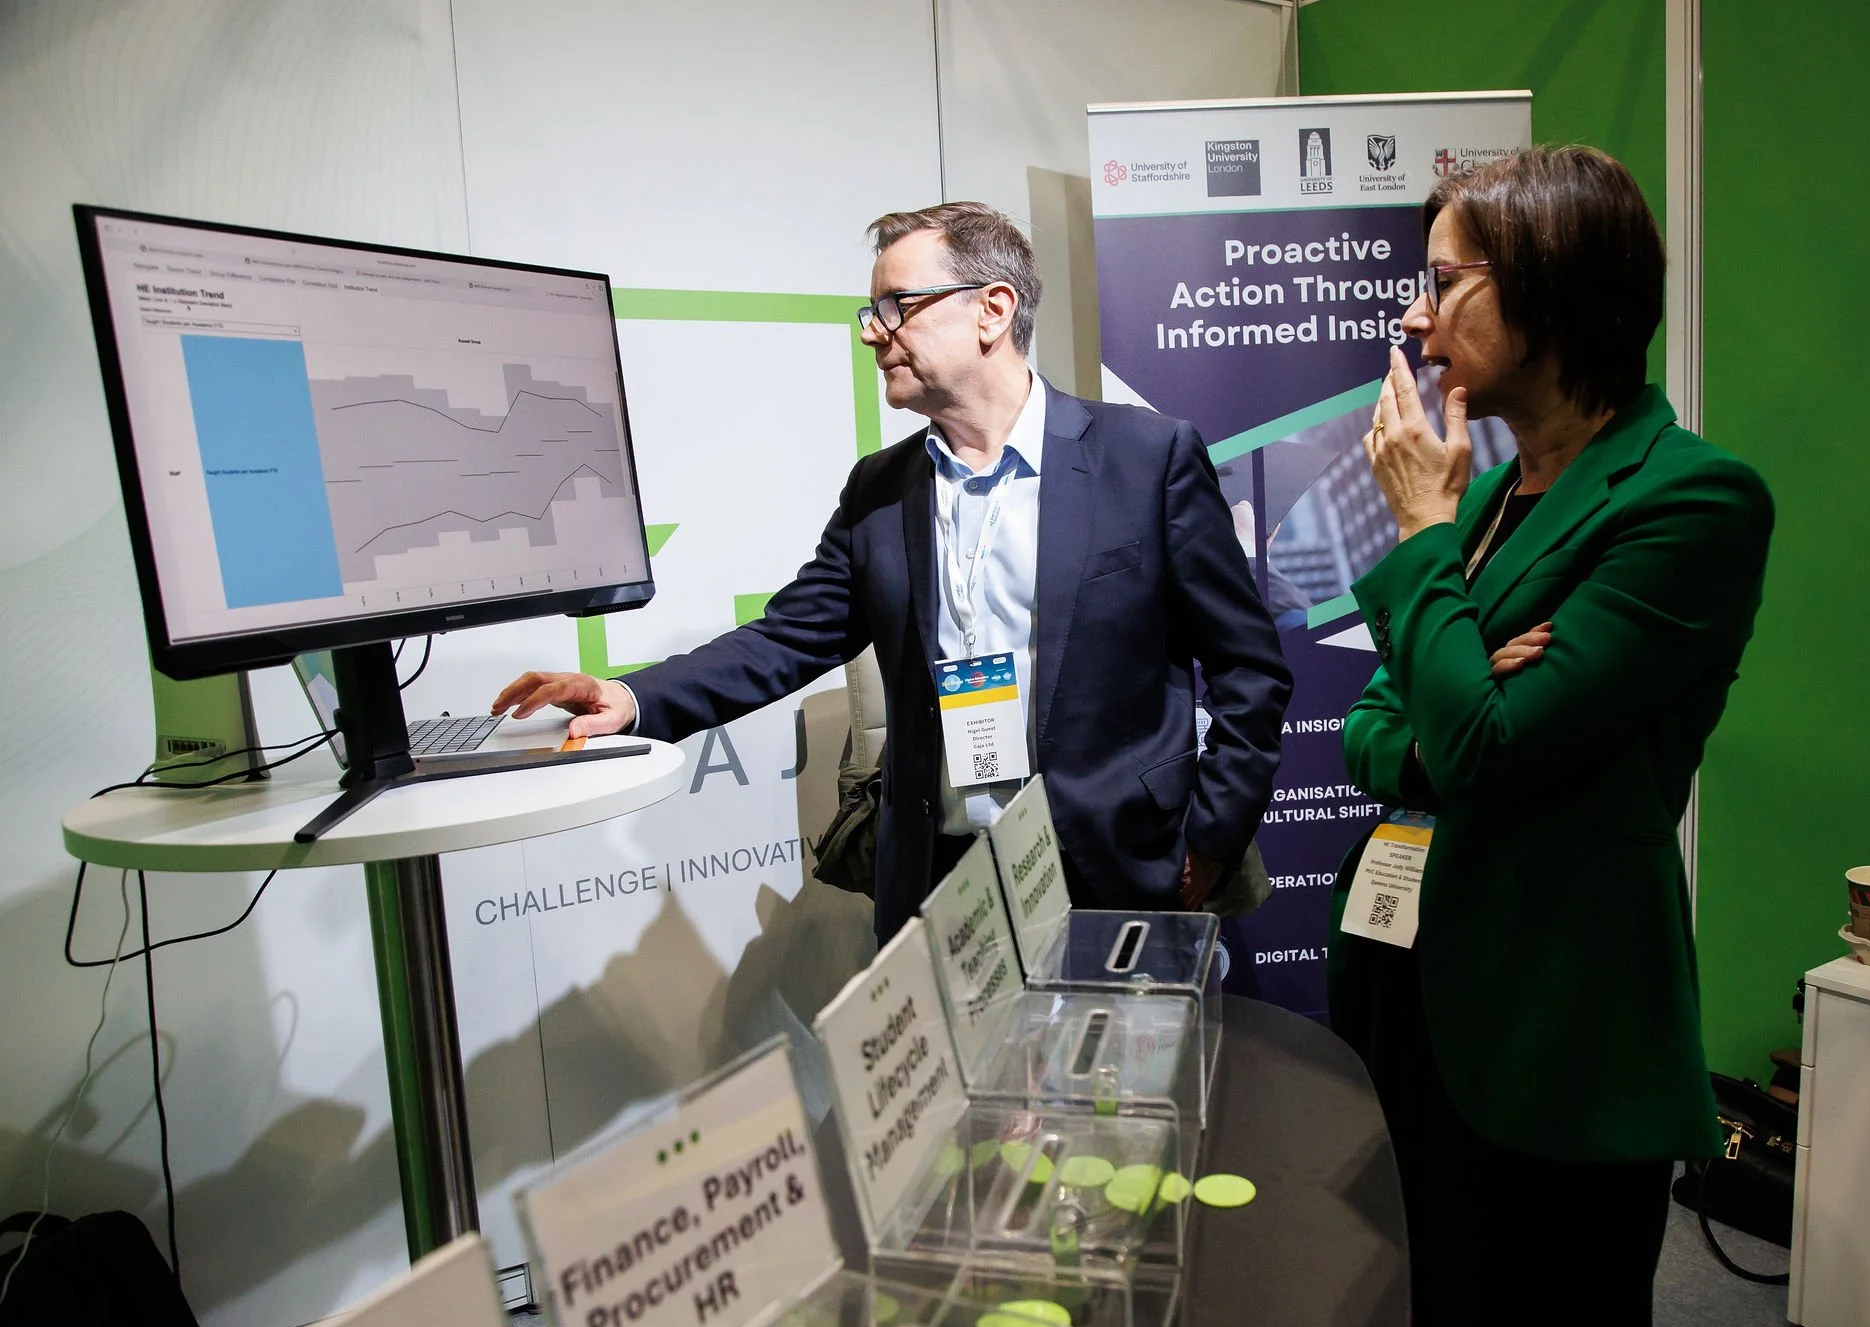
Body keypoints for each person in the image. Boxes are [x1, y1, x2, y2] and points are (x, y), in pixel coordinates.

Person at [495, 202, 1291, 942]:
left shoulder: (1146, 459)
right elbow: (785, 639)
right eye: (871, 312)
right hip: (941, 885)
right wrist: (631, 697)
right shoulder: (879, 490)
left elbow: (1248, 668)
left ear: (993, 310)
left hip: (1121, 869)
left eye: (896, 306)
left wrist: (1213, 837)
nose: (872, 334)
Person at [1326, 146, 1774, 1327]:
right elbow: (1378, 723)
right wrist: (1455, 700)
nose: (1414, 319)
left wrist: (1420, 538)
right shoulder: (1489, 500)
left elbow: (1477, 745)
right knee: (1426, 1316)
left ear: (1550, 283)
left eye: (1441, 282)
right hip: (1418, 982)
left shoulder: (1689, 502)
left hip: (1554, 1020)